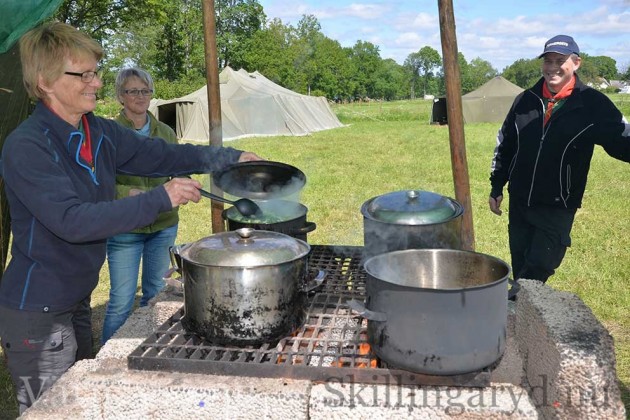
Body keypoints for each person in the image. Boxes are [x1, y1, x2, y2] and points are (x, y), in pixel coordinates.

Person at [0, 22, 261, 414]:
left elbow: (163, 156)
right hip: (37, 310)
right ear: (45, 82)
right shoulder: (27, 145)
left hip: (76, 299)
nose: (97, 83)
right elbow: (73, 221)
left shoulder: (97, 131)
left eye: (96, 72)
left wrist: (230, 158)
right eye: (83, 74)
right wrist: (161, 197)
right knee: (50, 411)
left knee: (78, 404)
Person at [489, 34, 630, 284]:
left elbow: (621, 139)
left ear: (576, 63)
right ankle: (517, 312)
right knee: (520, 261)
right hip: (521, 201)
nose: (552, 67)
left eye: (560, 60)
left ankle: (515, 305)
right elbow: (506, 144)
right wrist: (497, 185)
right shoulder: (525, 101)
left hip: (557, 205)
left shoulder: (592, 104)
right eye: (548, 61)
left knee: (538, 269)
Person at [101, 68, 179, 343]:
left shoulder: (166, 132)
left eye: (145, 91)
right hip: (125, 228)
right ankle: (106, 363)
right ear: (121, 96)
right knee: (121, 301)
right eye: (132, 91)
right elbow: (97, 182)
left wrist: (183, 181)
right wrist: (126, 192)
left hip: (163, 225)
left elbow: (176, 168)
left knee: (155, 295)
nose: (140, 96)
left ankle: (148, 351)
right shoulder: (108, 133)